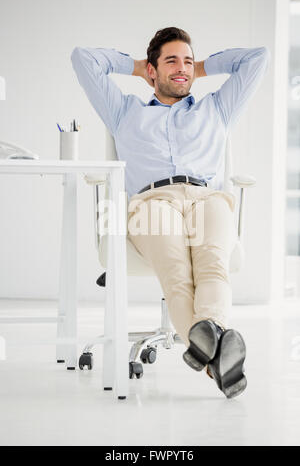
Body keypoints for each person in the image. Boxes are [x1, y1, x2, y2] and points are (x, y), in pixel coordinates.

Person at [71, 27, 270, 399]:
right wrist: (139, 66)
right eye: (171, 61)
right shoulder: (123, 111)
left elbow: (257, 58)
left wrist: (199, 67)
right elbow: (84, 58)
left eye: (188, 61)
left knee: (213, 264)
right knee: (177, 273)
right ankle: (217, 356)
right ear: (152, 71)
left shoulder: (218, 107)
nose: (182, 69)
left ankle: (209, 345)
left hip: (207, 197)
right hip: (152, 202)